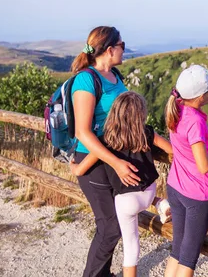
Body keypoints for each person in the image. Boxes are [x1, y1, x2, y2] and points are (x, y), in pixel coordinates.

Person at [70, 91, 173, 277]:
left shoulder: (106, 140)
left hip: (126, 200)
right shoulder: (147, 133)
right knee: (146, 199)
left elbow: (81, 169)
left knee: (131, 243)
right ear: (141, 114)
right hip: (148, 191)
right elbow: (171, 149)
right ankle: (159, 202)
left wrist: (74, 167)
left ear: (115, 112)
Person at [70, 26, 140, 277]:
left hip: (110, 158)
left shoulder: (115, 75)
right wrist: (117, 164)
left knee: (112, 223)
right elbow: (83, 132)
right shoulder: (86, 79)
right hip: (94, 161)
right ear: (110, 49)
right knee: (110, 225)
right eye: (122, 44)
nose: (125, 48)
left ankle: (102, 273)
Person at [163, 65, 208, 277]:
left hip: (175, 187)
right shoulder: (196, 123)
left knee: (177, 251)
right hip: (196, 196)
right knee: (189, 258)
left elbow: (204, 97)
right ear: (201, 96)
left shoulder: (179, 107)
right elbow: (204, 165)